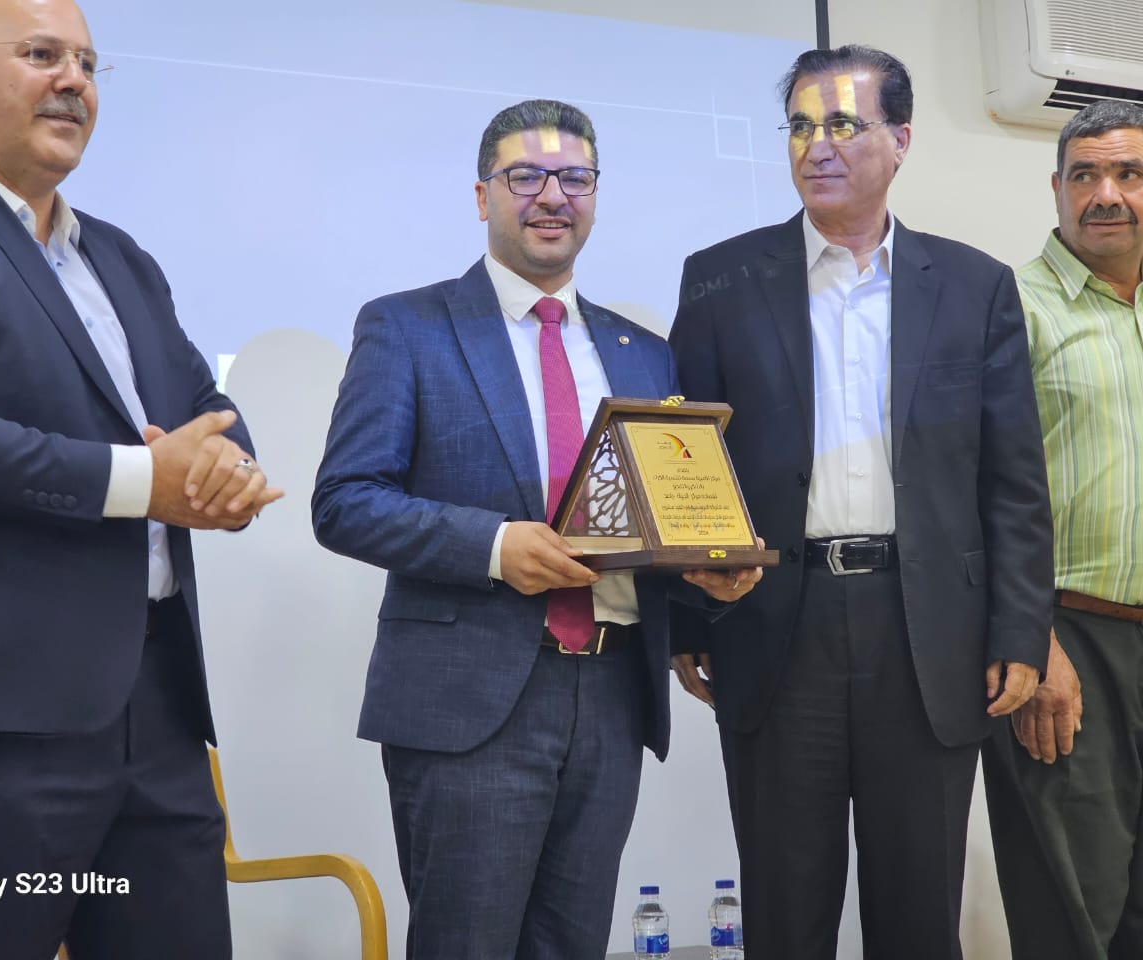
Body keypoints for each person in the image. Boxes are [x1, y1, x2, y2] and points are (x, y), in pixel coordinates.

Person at [0, 0, 282, 957]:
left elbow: (206, 406)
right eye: (43, 55)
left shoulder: (121, 258)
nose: (74, 82)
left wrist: (225, 473)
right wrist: (145, 483)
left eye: (88, 64)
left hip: (155, 709)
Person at [312, 98, 757, 960]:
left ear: (595, 196)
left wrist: (708, 571)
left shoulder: (644, 352)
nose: (553, 196)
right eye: (527, 177)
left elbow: (654, 518)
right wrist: (493, 547)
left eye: (575, 178)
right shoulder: (408, 327)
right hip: (469, 701)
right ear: (484, 196)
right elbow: (346, 500)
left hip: (613, 695)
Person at [667, 45, 1054, 960]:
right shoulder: (721, 281)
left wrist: (1020, 630)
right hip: (773, 621)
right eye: (801, 126)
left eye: (843, 123)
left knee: (918, 914)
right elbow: (687, 464)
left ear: (901, 140)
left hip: (927, 634)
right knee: (784, 910)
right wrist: (689, 617)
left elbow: (1013, 481)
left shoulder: (973, 287)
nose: (817, 145)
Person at [980, 99, 1143, 960]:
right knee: (1076, 916)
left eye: (1129, 173)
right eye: (1086, 175)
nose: (1106, 193)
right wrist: (1030, 639)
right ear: (1056, 190)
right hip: (1066, 644)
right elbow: (967, 491)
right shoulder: (1005, 307)